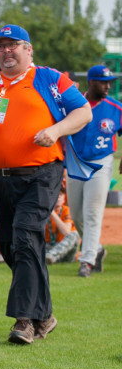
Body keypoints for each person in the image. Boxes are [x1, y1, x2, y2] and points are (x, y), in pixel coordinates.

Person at [0, 24, 93, 345]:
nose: (6, 51)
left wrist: (57, 131)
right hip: (0, 179)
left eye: (13, 45)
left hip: (41, 175)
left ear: (28, 49)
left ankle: (24, 321)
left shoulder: (49, 79)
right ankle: (44, 315)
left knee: (25, 237)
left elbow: (84, 112)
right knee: (9, 243)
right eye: (0, 46)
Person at [65, 65, 122, 277]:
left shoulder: (115, 108)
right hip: (75, 163)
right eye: (103, 82)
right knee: (76, 214)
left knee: (92, 212)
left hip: (101, 163)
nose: (107, 86)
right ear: (91, 82)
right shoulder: (75, 105)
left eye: (109, 82)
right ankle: (96, 249)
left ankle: (86, 261)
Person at [45, 188, 80, 265]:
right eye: (55, 195)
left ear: (64, 198)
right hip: (47, 247)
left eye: (60, 195)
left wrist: (52, 213)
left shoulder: (67, 211)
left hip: (65, 251)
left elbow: (66, 231)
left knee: (74, 234)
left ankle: (50, 257)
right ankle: (48, 257)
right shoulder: (42, 212)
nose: (58, 197)